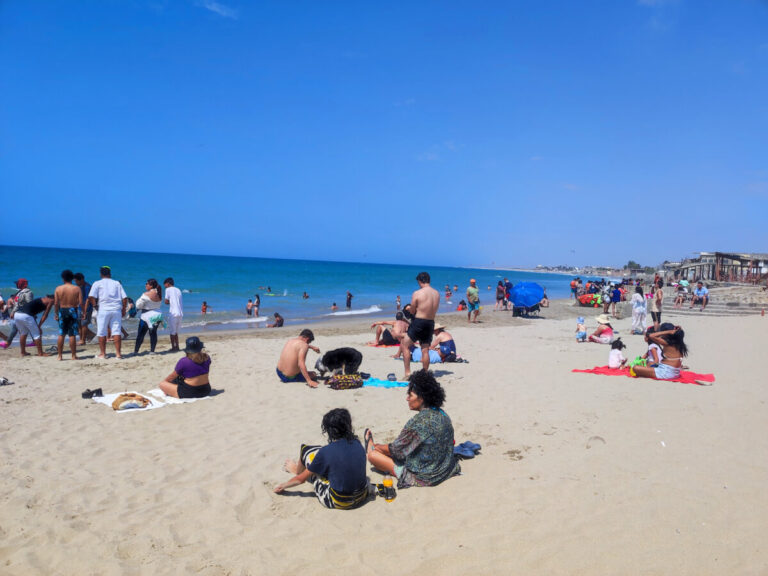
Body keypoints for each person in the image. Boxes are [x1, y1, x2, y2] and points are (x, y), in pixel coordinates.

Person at [364, 371, 461, 488]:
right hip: (446, 468)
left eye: (410, 395)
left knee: (372, 455)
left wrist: (377, 447)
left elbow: (396, 451)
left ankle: (371, 447)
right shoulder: (442, 414)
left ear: (422, 398)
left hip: (426, 476)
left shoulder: (419, 422)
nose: (407, 399)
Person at [274, 408, 369, 509]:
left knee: (306, 451)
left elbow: (301, 480)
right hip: (362, 495)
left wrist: (283, 485)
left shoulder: (326, 451)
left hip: (339, 502)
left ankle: (297, 470)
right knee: (331, 461)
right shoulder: (357, 443)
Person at [400, 272, 440, 378]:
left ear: (420, 281)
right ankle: (425, 374)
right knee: (425, 349)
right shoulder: (437, 293)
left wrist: (411, 309)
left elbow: (412, 311)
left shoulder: (417, 293)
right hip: (430, 322)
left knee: (405, 345)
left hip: (419, 322)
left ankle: (408, 373)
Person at [88, 266, 128, 359]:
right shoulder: (117, 283)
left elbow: (91, 297)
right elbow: (125, 298)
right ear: (110, 274)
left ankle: (103, 354)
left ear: (101, 274)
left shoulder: (97, 283)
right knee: (116, 331)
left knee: (101, 331)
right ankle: (118, 354)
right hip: (116, 309)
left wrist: (95, 306)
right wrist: (123, 309)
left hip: (103, 309)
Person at [54, 269, 83, 361]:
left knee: (61, 333)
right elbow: (81, 303)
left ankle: (59, 356)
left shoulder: (58, 288)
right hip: (72, 310)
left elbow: (55, 303)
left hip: (62, 310)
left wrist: (56, 313)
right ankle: (73, 356)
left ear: (63, 278)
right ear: (72, 278)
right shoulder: (76, 288)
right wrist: (83, 312)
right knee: (72, 334)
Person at [1, 279, 34, 349]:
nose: (16, 285)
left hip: (24, 314)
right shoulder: (20, 292)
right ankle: (8, 343)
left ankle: (7, 343)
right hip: (20, 313)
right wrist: (13, 311)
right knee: (20, 329)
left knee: (17, 329)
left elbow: (29, 303)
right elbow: (18, 303)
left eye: (18, 283)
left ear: (21, 284)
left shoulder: (27, 292)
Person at [134, 279, 163, 355]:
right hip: (157, 315)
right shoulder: (159, 293)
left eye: (147, 284)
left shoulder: (146, 294)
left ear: (151, 285)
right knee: (153, 333)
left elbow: (138, 305)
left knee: (141, 333)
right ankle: (152, 351)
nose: (145, 285)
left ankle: (136, 351)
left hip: (147, 315)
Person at [74, 273, 95, 345]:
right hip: (80, 308)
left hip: (87, 308)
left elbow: (87, 300)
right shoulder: (80, 287)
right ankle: (82, 338)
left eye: (76, 281)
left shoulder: (87, 287)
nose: (76, 283)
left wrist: (85, 311)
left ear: (81, 280)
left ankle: (83, 340)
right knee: (79, 324)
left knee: (84, 324)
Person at [164, 277, 183, 352]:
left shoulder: (167, 289)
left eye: (165, 285)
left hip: (173, 313)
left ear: (168, 284)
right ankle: (177, 347)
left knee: (172, 332)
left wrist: (169, 302)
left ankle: (173, 347)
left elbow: (166, 301)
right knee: (176, 332)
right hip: (180, 313)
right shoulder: (178, 290)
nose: (164, 286)